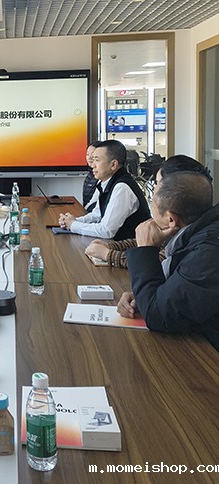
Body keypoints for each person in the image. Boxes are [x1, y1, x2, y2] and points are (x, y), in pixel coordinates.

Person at [117, 171, 219, 350]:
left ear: (171, 219)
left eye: (153, 208)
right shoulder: (202, 231)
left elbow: (159, 317)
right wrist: (145, 295)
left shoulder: (207, 252)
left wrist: (145, 249)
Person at [85, 155, 213, 267]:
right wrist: (112, 246)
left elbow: (154, 262)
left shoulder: (187, 231)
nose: (155, 189)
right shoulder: (179, 220)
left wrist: (107, 254)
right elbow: (145, 240)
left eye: (158, 184)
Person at [59, 139, 150, 240]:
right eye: (93, 160)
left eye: (97, 160)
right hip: (115, 243)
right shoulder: (107, 182)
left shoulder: (122, 188)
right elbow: (97, 215)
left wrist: (73, 225)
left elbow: (106, 231)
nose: (93, 165)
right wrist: (73, 221)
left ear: (113, 165)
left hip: (129, 246)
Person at [83, 140, 103, 211]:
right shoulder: (90, 174)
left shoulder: (102, 176)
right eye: (87, 154)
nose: (89, 157)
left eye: (93, 155)